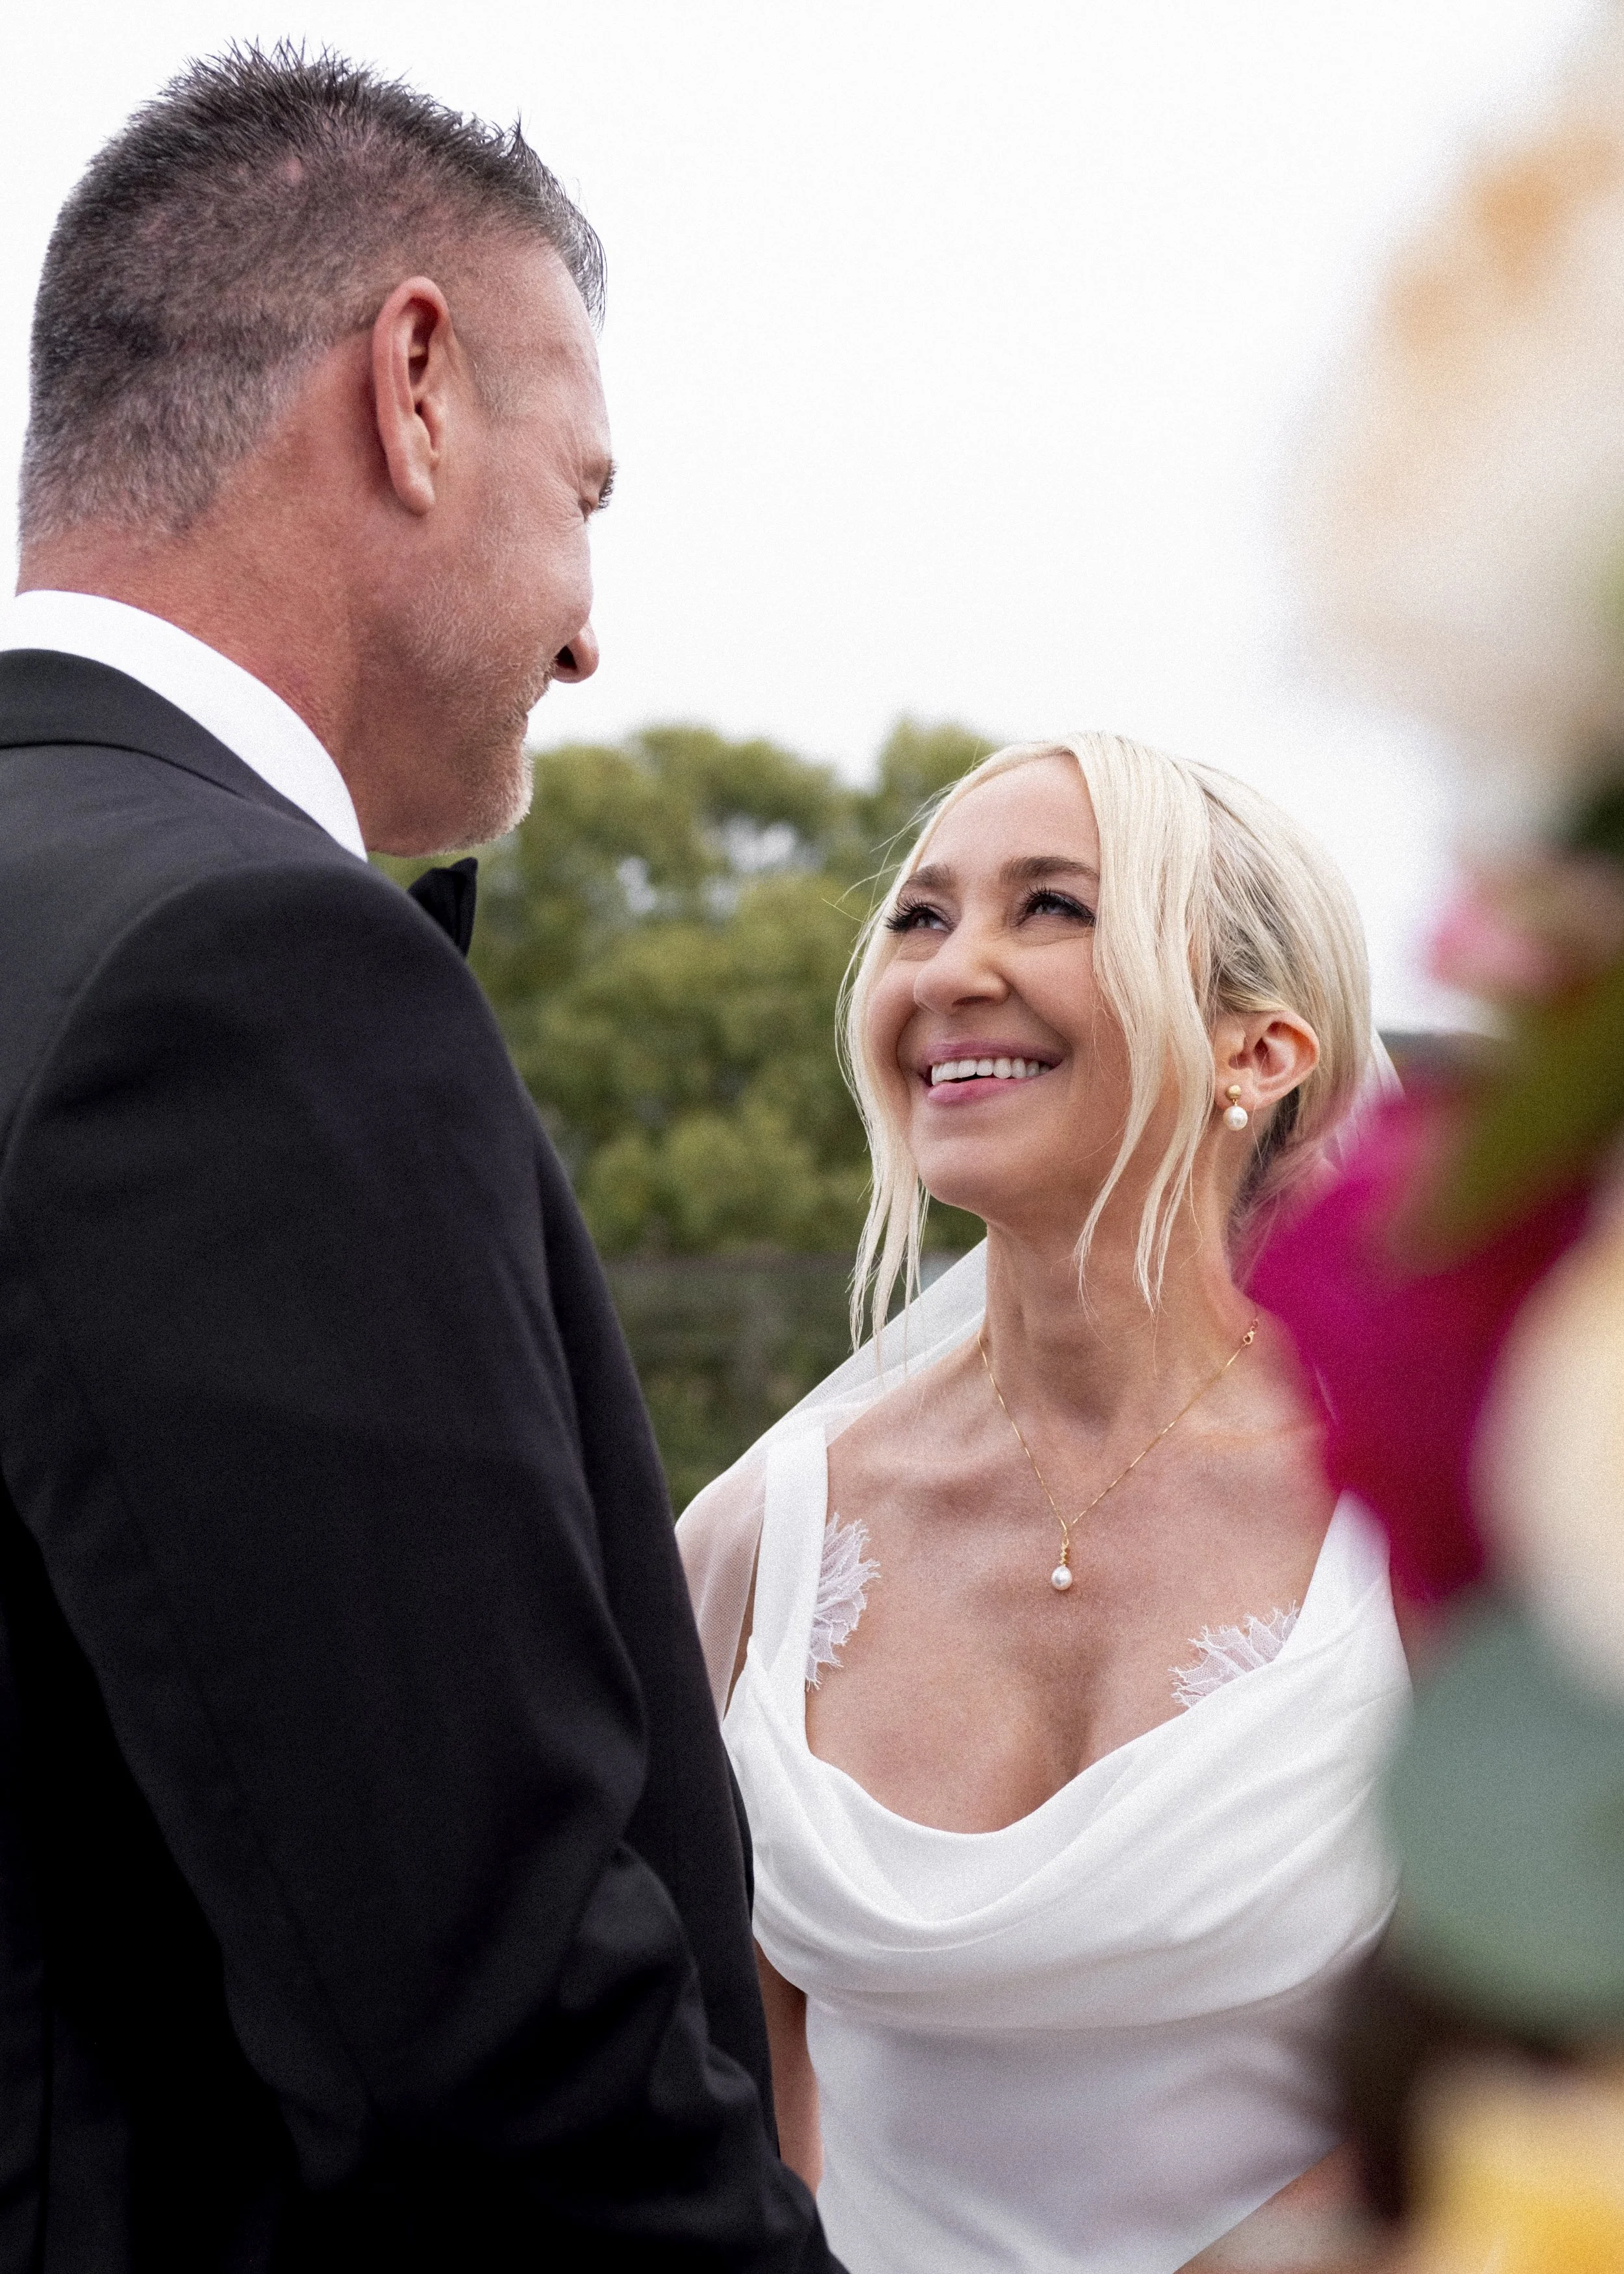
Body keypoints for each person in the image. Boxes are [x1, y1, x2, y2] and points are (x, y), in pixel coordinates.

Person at [0, 47, 835, 2271]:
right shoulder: (242, 973)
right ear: (418, 387)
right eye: (586, 492)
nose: (587, 628)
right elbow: (484, 2040)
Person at [678, 733, 1412, 2274]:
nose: (952, 971)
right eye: (919, 917)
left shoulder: (1416, 1522)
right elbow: (729, 2102)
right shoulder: (754, 1542)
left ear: (1257, 1050)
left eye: (1054, 908)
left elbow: (1535, 2070)